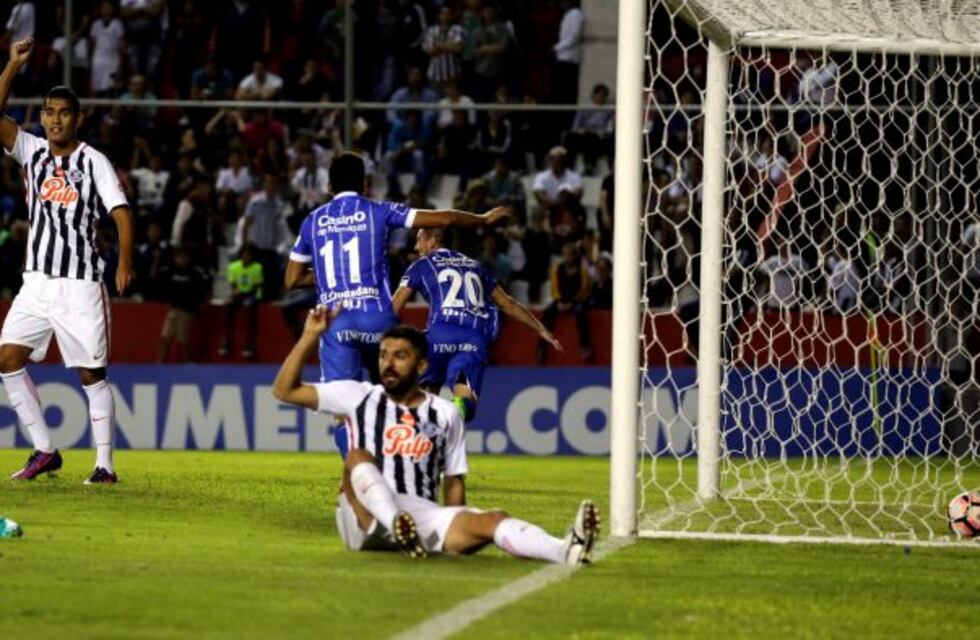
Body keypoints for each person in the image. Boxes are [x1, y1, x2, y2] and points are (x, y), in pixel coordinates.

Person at [271, 311, 599, 563]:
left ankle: (565, 549)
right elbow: (284, 390)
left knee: (493, 519)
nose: (388, 363)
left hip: (421, 517)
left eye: (400, 356)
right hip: (363, 517)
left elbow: (453, 482)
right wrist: (309, 336)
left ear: (422, 365)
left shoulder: (446, 413)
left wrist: (458, 522)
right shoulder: (357, 395)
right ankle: (395, 522)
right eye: (384, 355)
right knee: (357, 456)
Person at [283, 151, 510, 455]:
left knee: (344, 415)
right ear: (365, 185)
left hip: (337, 323)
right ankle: (423, 455)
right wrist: (482, 219)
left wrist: (330, 275)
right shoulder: (378, 210)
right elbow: (445, 218)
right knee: (403, 399)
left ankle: (360, 475)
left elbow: (292, 279)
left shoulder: (312, 222)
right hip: (378, 318)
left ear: (329, 186)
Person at [0, 39, 134, 484]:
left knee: (91, 372)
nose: (56, 120)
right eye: (49, 112)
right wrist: (12, 67)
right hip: (36, 282)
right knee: (7, 358)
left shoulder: (93, 161)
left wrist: (123, 262)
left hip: (80, 282)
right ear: (42, 118)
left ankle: (105, 465)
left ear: (78, 119)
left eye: (64, 113)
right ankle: (44, 451)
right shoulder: (32, 152)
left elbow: (120, 211)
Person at [392, 228, 561, 420]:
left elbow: (393, 308)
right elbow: (508, 304)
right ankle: (455, 415)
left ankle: (423, 432)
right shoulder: (476, 266)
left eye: (419, 240)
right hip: (473, 341)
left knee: (423, 395)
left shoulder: (421, 265)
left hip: (439, 336)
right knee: (466, 405)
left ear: (433, 241)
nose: (416, 247)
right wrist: (540, 328)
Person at [156, 246, 209, 362]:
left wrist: (200, 304)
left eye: (184, 257)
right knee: (165, 337)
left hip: (187, 311)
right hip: (174, 309)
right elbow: (159, 283)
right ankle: (159, 364)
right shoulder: (170, 271)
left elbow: (203, 291)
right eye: (178, 257)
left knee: (183, 340)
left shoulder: (194, 274)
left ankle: (186, 365)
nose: (181, 260)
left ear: (188, 258)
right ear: (175, 258)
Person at [221, 244, 264, 359]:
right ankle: (226, 342)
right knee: (229, 308)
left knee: (250, 311)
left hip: (252, 294)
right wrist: (235, 292)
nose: (246, 257)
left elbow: (257, 286)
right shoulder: (233, 267)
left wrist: (252, 298)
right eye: (244, 255)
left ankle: (249, 346)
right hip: (239, 294)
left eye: (249, 255)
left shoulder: (257, 267)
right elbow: (233, 284)